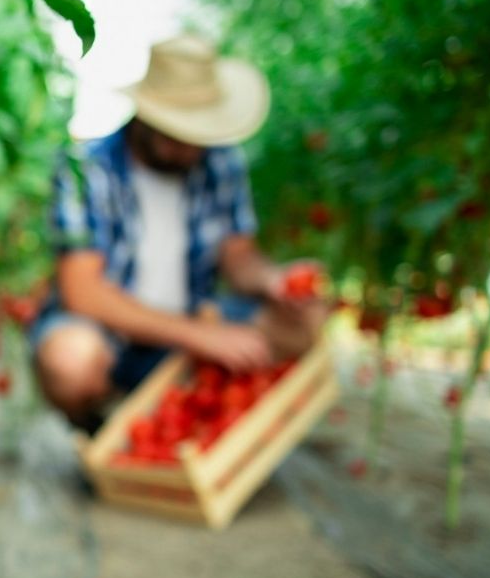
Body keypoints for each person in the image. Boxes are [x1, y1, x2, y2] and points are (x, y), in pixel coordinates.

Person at [31, 34, 327, 434]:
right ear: (147, 118)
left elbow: (238, 256)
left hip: (192, 324)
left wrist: (271, 279)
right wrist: (202, 335)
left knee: (308, 318)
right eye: (179, 134)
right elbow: (82, 291)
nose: (192, 149)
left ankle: (204, 417)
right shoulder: (85, 169)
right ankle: (100, 429)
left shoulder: (220, 162)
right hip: (114, 337)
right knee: (69, 360)